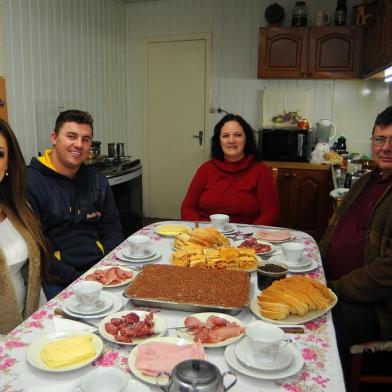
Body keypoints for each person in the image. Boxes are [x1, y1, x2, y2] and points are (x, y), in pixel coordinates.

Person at [319, 105, 392, 381]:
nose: (385, 147)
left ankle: (329, 382)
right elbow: (335, 230)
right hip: (336, 280)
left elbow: (387, 273)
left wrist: (334, 288)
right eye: (380, 139)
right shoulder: (369, 179)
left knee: (319, 322)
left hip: (376, 307)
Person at [27, 110, 124, 299]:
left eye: (85, 139)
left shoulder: (97, 181)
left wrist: (108, 268)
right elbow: (36, 248)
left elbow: (112, 229)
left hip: (99, 269)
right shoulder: (29, 182)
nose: (79, 145)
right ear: (54, 138)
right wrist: (79, 281)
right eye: (71, 136)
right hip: (56, 279)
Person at [181, 113, 279, 225]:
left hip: (246, 237)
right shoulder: (205, 169)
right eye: (225, 136)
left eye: (237, 135)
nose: (231, 140)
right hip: (206, 235)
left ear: (246, 138)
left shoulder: (261, 171)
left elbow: (271, 213)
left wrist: (250, 236)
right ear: (219, 141)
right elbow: (188, 208)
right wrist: (198, 230)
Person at [0, 119, 49, 336]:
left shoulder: (17, 209)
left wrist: (44, 325)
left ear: (8, 164)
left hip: (28, 329)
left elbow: (31, 282)